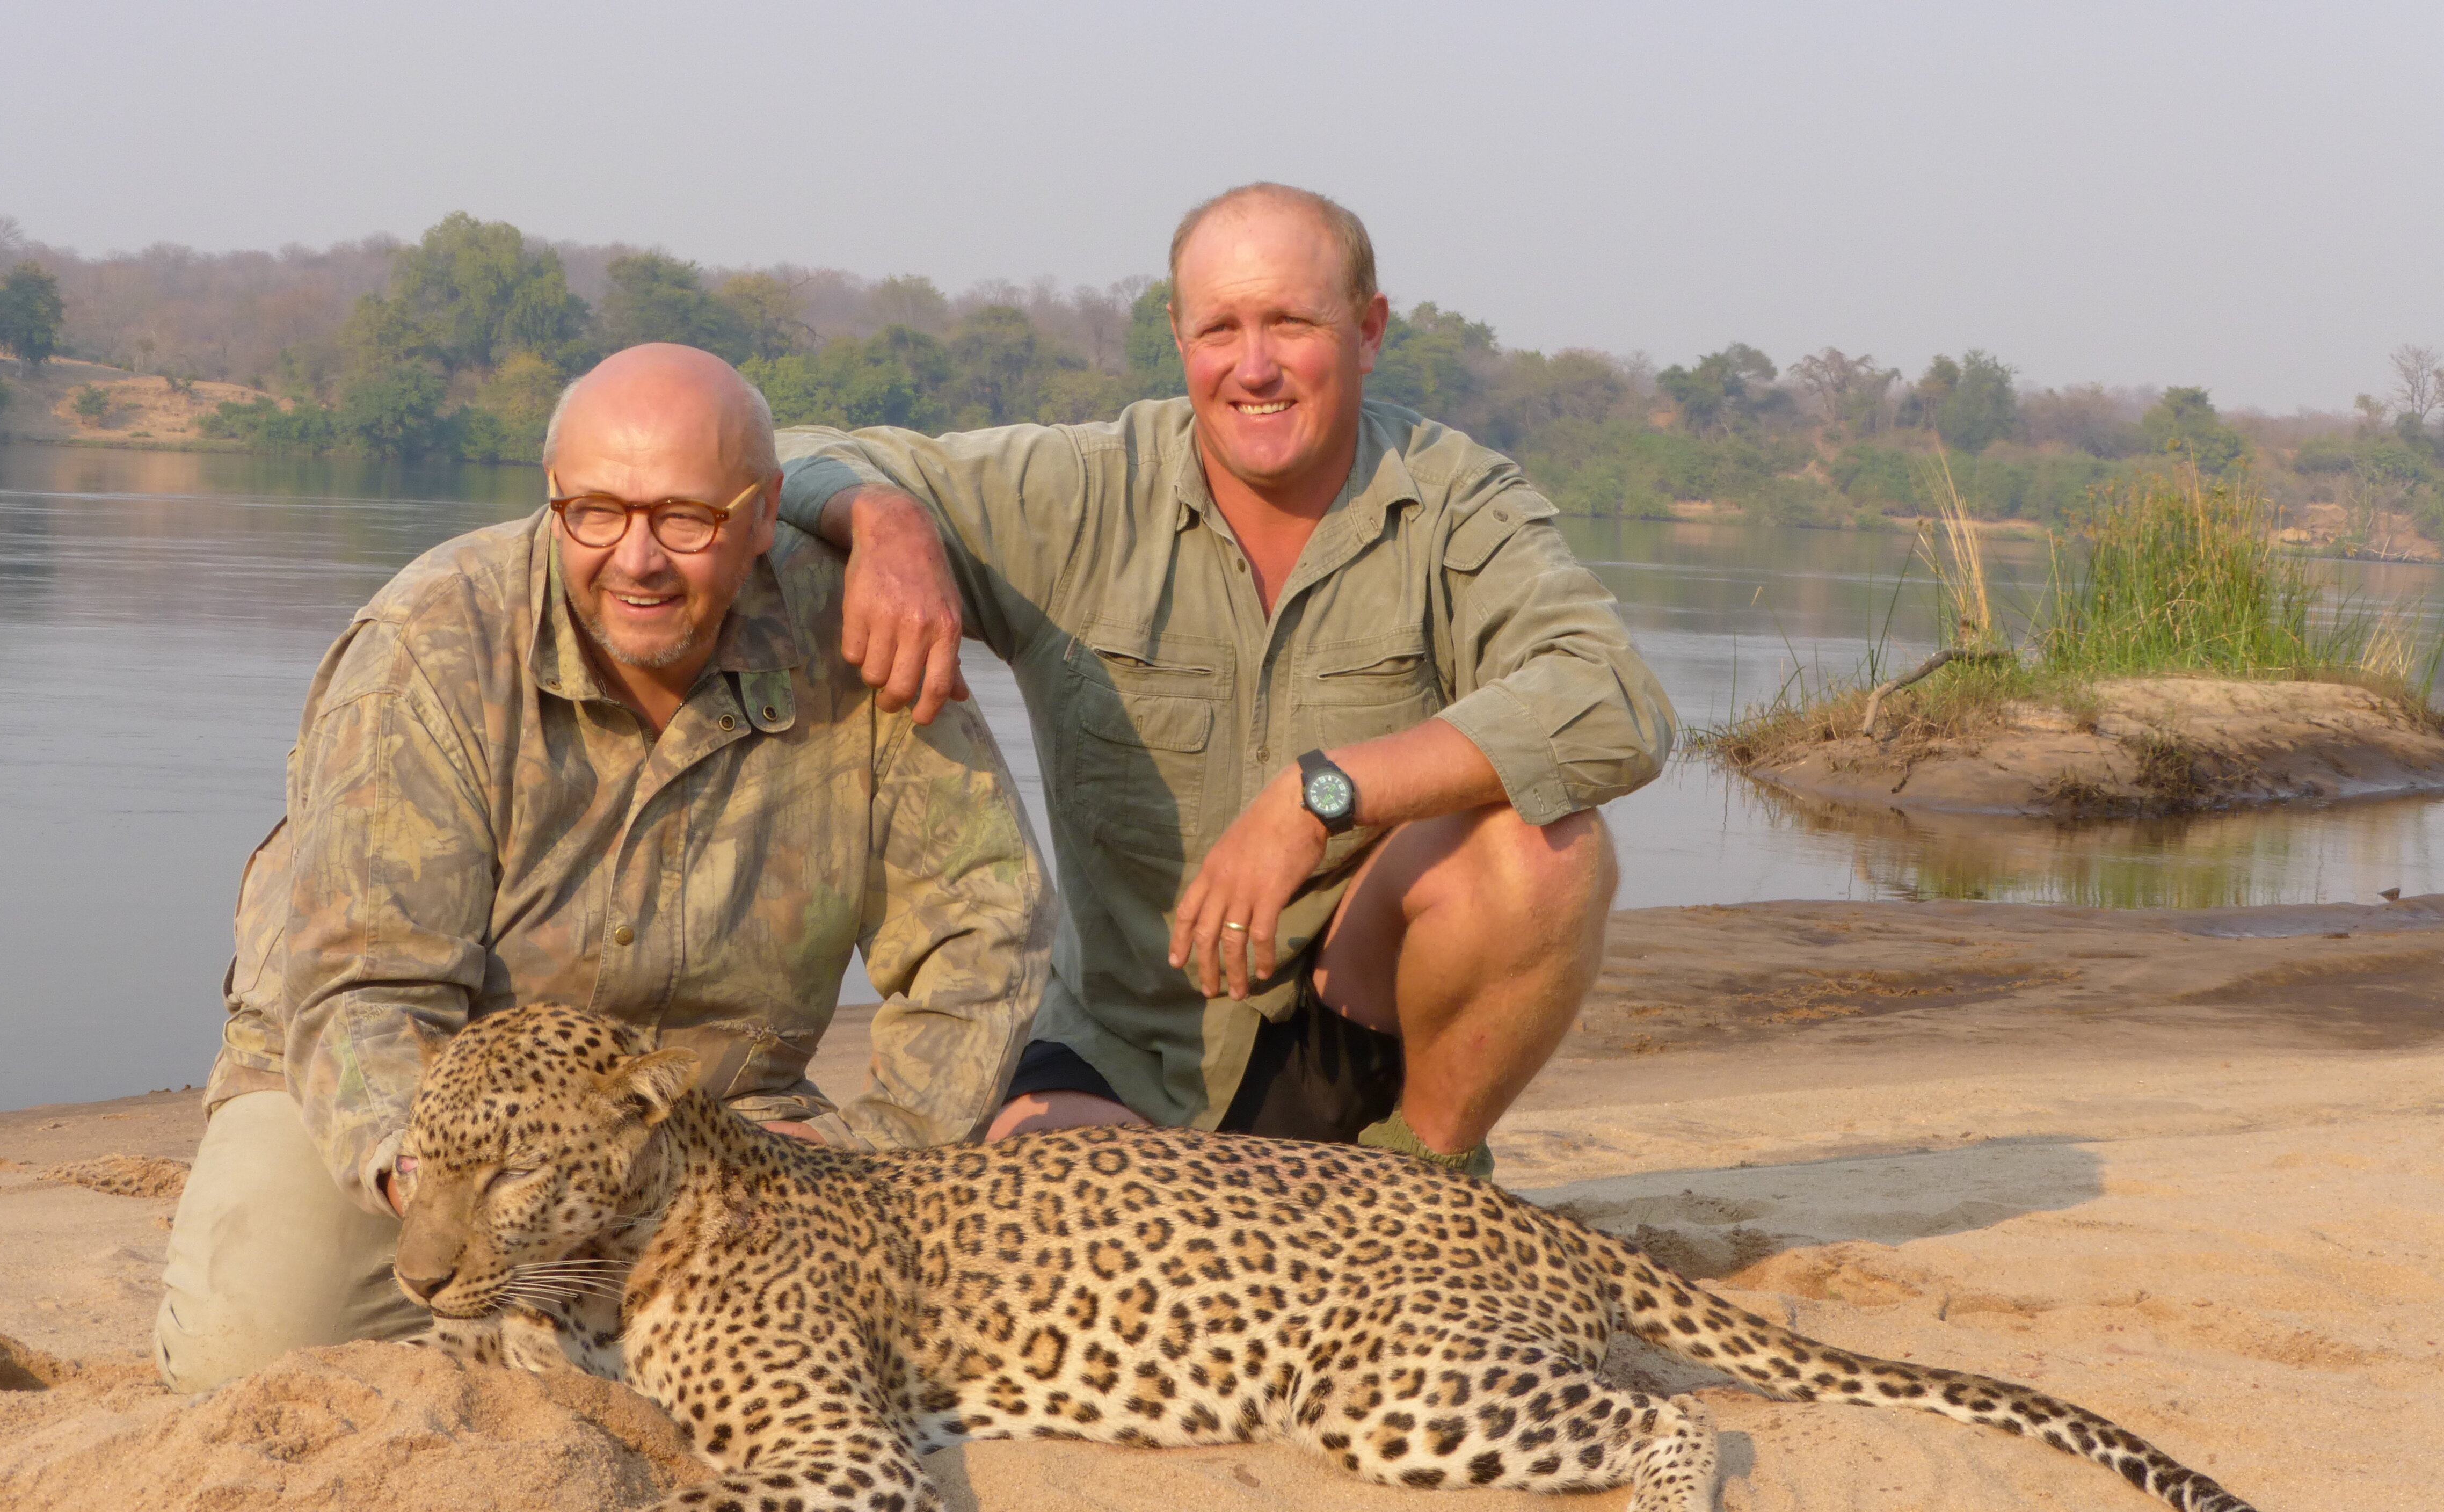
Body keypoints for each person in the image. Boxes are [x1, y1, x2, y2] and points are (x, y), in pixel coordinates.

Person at [154, 344, 1053, 1395]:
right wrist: (440, 1187)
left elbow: (986, 930)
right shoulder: (428, 648)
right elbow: (364, 988)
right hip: (410, 1125)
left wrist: (871, 1159)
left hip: (707, 1120)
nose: (638, 559)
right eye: (597, 514)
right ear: (553, 502)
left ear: (762, 517)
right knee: (248, 1360)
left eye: (686, 519)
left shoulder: (855, 633)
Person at [773, 182, 1675, 1174]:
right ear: (1177, 336)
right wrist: (884, 521)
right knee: (1072, 1236)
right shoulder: (1076, 492)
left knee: (1547, 845)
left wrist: (1316, 794)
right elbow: (779, 453)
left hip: (1352, 1018)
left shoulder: (1456, 498)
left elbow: (1610, 698)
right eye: (1220, 329)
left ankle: (1427, 1180)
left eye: (1291, 322)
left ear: (1367, 332)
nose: (1254, 367)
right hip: (1127, 1051)